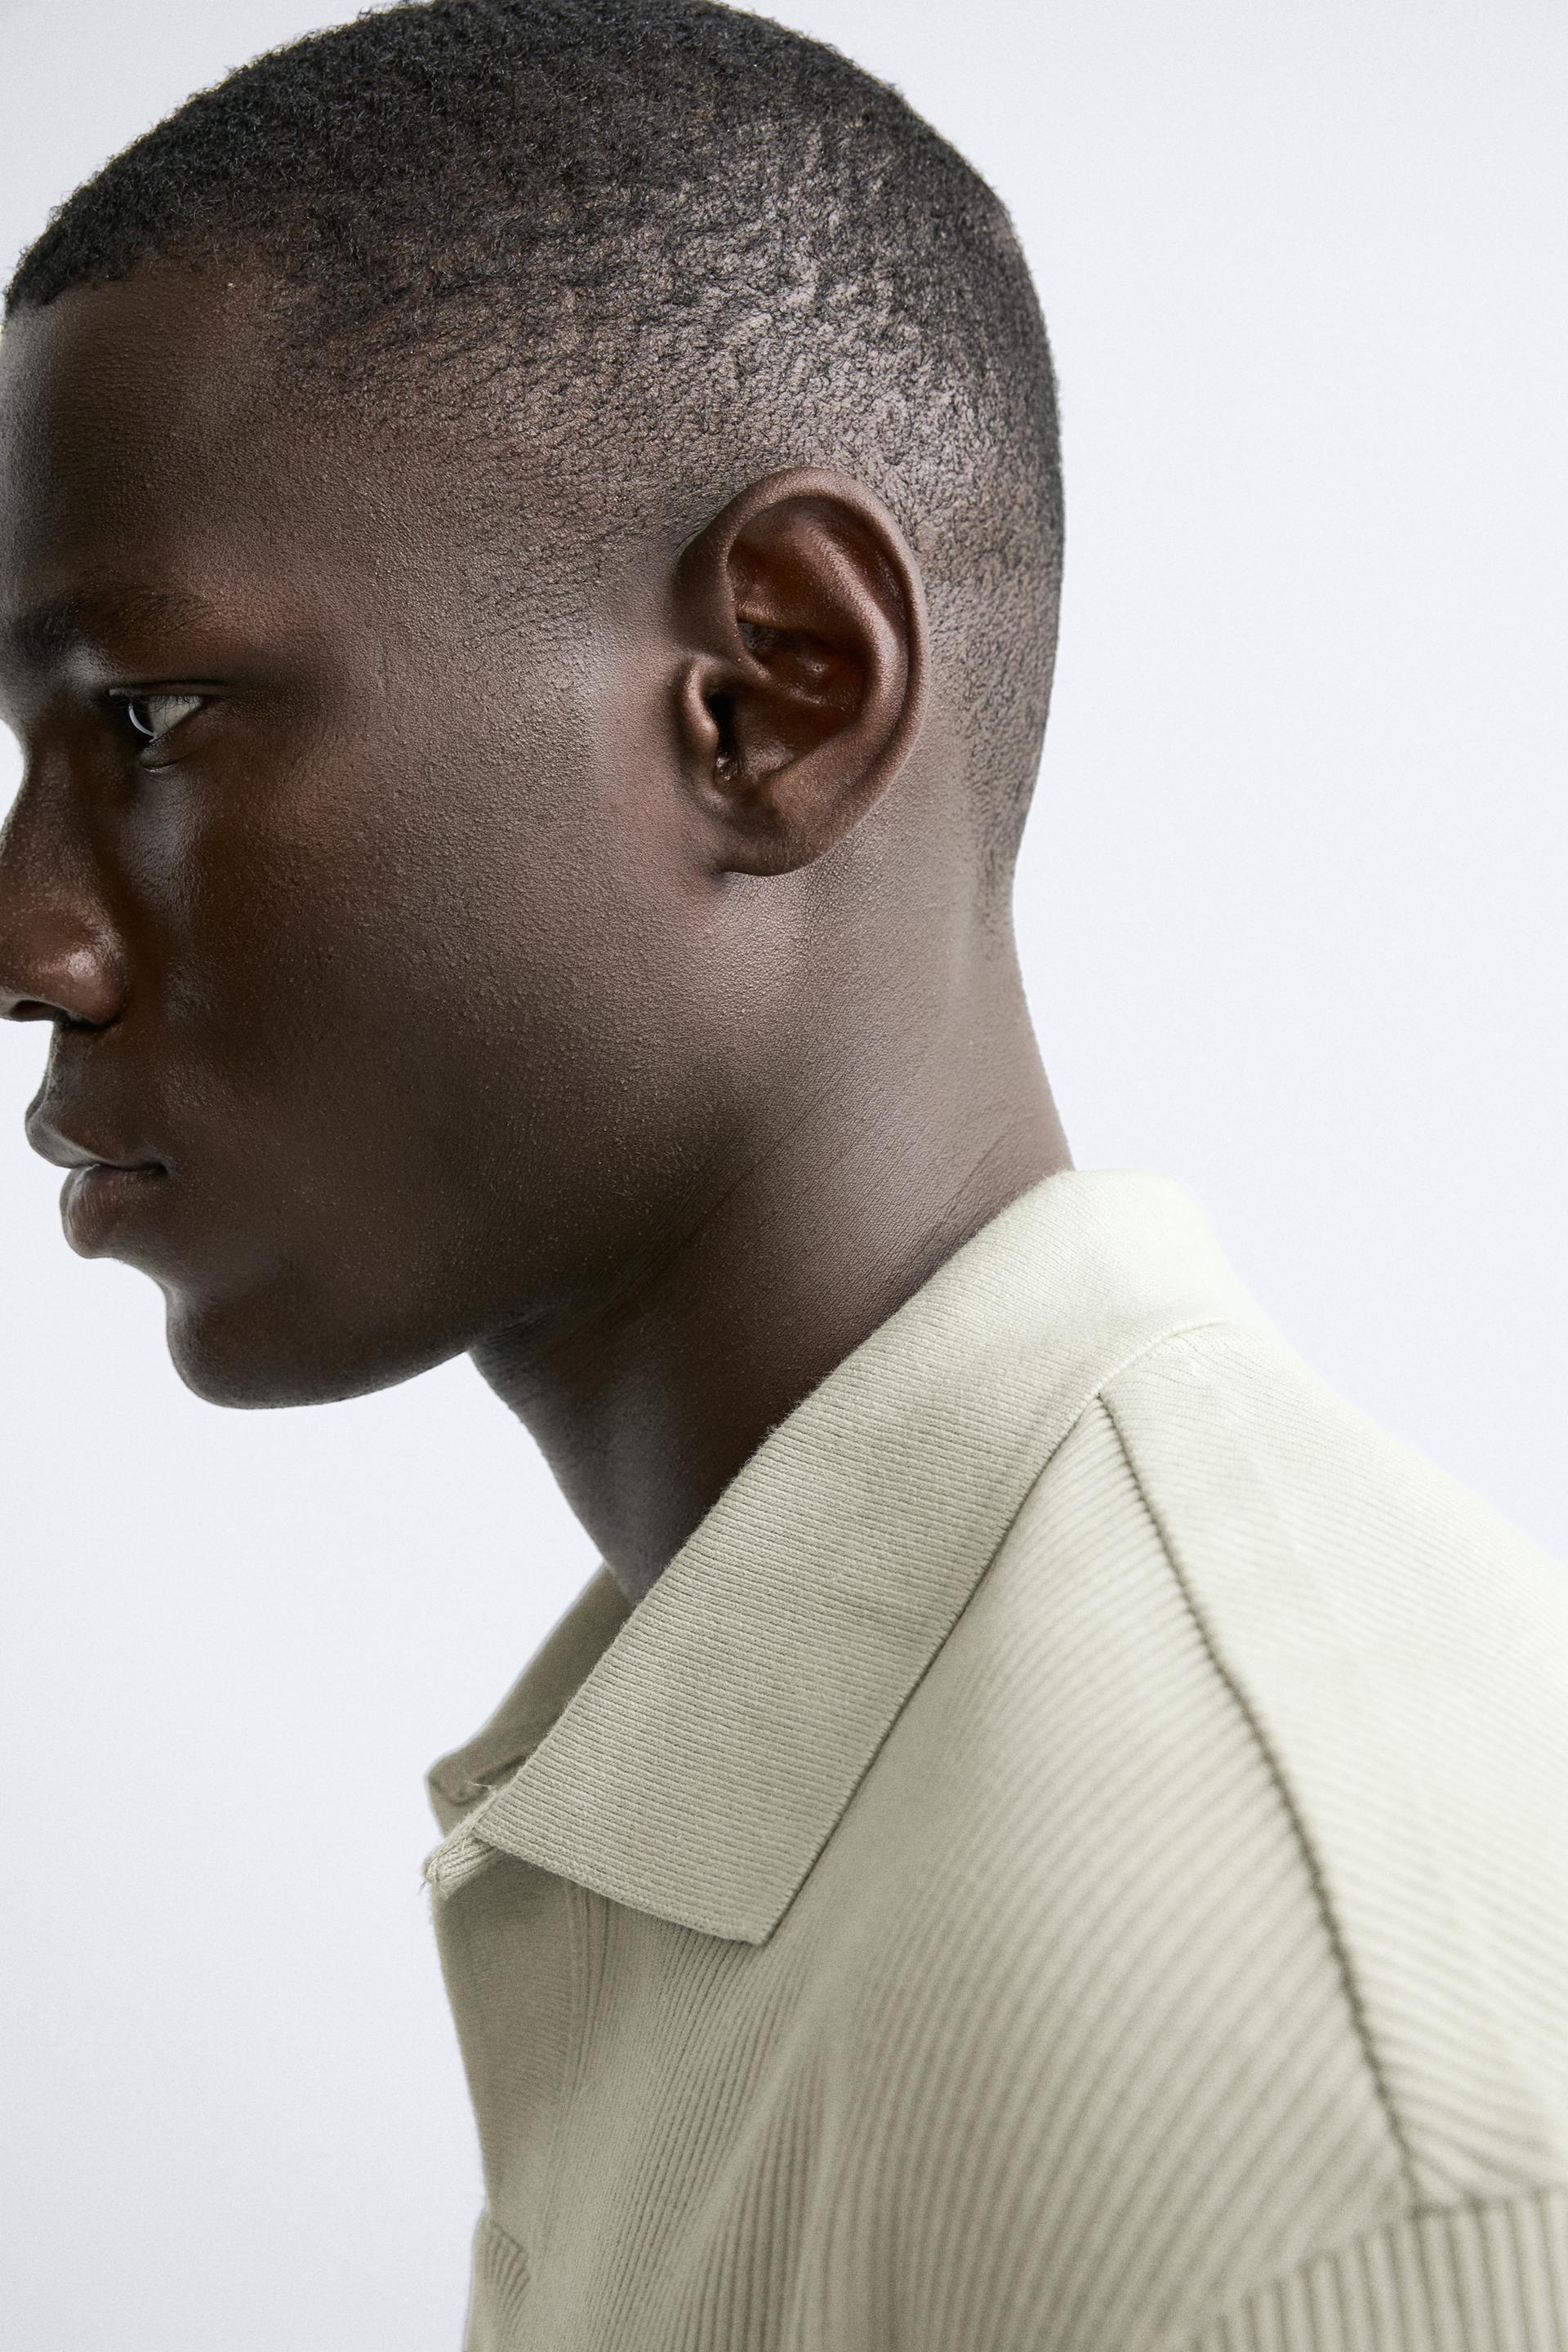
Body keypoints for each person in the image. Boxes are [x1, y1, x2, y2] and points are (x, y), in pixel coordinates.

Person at [1, 2, 1563, 2345]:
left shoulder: (1317, 2102)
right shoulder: (800, 1805)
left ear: (773, 694)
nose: (31, 938)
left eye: (146, 719)